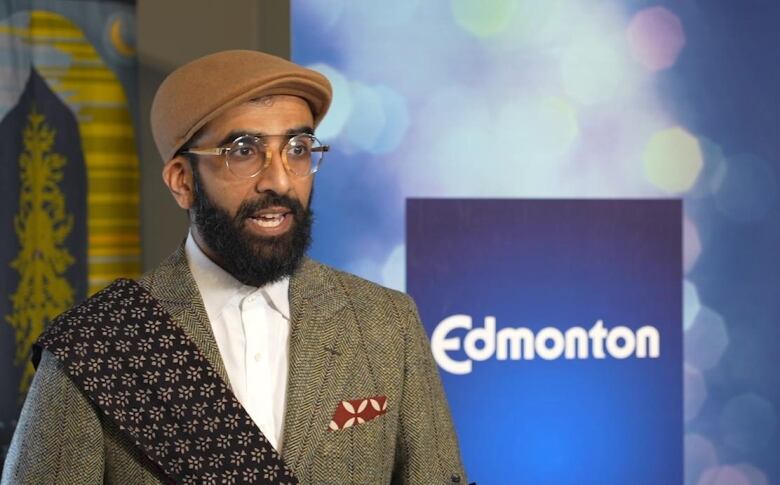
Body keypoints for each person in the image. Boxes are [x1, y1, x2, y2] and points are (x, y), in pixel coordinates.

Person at [1, 50, 466, 484]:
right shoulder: (98, 344)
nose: (281, 179)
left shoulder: (386, 324)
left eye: (298, 148)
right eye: (244, 151)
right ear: (183, 181)